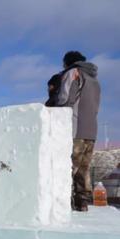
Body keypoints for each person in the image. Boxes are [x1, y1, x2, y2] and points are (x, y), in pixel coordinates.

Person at [56, 51, 101, 211]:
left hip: (75, 129)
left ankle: (63, 201)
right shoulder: (94, 79)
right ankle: (82, 202)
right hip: (92, 131)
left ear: (67, 62)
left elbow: (66, 98)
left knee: (69, 166)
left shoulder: (73, 73)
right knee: (84, 168)